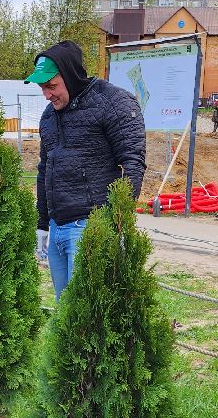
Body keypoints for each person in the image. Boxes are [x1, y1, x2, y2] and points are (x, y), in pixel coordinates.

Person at [25, 41, 145, 300]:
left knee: (87, 311)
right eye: (42, 88)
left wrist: (117, 222)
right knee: (67, 317)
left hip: (90, 227)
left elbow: (132, 163)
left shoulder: (113, 102)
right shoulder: (49, 116)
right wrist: (43, 223)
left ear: (68, 75)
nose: (47, 94)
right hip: (58, 227)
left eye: (51, 86)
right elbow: (46, 169)